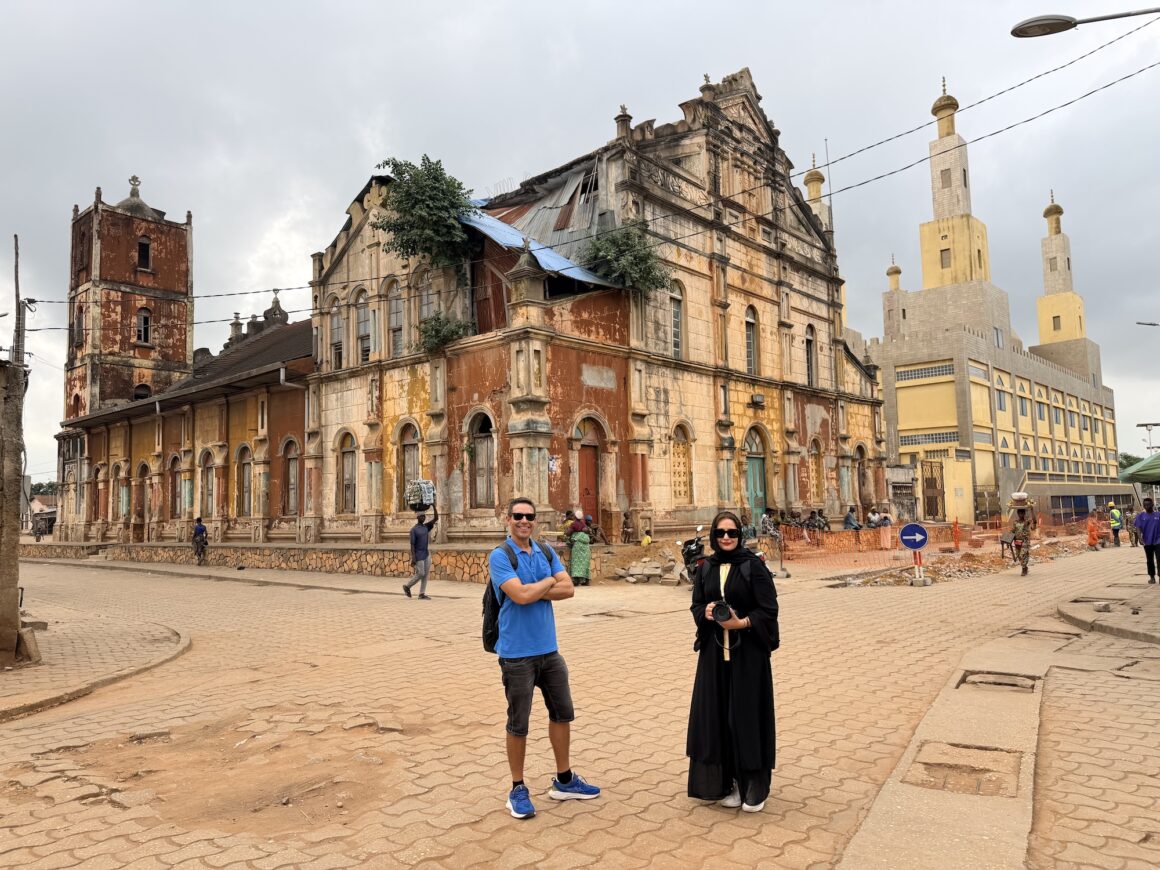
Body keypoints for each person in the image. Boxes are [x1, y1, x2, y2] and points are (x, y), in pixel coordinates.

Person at [489, 497, 600, 819]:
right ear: (507, 519)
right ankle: (517, 788)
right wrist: (549, 581)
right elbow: (520, 597)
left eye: (529, 516)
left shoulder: (546, 551)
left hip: (549, 651)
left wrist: (541, 584)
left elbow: (568, 590)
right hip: (516, 655)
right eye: (518, 516)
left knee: (562, 714)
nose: (524, 521)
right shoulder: (500, 556)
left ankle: (564, 780)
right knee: (518, 723)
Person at [687, 510, 780, 813]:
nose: (726, 538)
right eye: (720, 533)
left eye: (732, 533)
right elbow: (697, 604)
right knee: (717, 719)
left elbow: (769, 610)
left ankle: (754, 786)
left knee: (745, 718)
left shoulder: (753, 566)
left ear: (740, 535)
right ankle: (729, 783)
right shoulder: (705, 567)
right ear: (713, 536)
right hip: (715, 655)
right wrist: (708, 613)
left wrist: (742, 623)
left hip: (748, 656)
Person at [403, 505, 438, 599]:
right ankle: (407, 586)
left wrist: (434, 507)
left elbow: (436, 518)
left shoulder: (426, 527)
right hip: (418, 555)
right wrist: (413, 557)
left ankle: (421, 594)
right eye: (421, 516)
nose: (423, 518)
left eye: (424, 516)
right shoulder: (413, 530)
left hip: (426, 554)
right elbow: (412, 545)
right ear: (417, 517)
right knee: (421, 573)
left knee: (426, 574)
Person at [1135, 497, 1160, 584]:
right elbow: (1138, 527)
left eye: (1148, 504)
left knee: (1159, 558)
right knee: (1150, 560)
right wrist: (1139, 538)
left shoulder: (1158, 515)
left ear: (1152, 505)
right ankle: (1152, 577)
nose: (1146, 506)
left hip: (1158, 541)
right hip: (1147, 541)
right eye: (1145, 505)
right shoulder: (1140, 516)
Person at [568, 511, 592, 587]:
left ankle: (576, 581)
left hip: (578, 544)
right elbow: (588, 531)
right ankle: (586, 580)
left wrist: (567, 532)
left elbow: (568, 533)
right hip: (585, 545)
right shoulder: (583, 524)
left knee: (576, 562)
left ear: (575, 516)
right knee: (585, 563)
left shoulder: (574, 524)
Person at [1011, 507, 1033, 576]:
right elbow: (1013, 530)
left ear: (1024, 513)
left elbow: (1034, 521)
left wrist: (1032, 510)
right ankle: (1025, 567)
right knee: (1018, 555)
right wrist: (1008, 536)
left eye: (1022, 513)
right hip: (1017, 540)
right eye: (1019, 513)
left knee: (1022, 554)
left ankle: (1024, 569)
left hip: (1025, 541)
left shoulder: (1027, 521)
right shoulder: (1015, 522)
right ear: (1018, 514)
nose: (1021, 514)